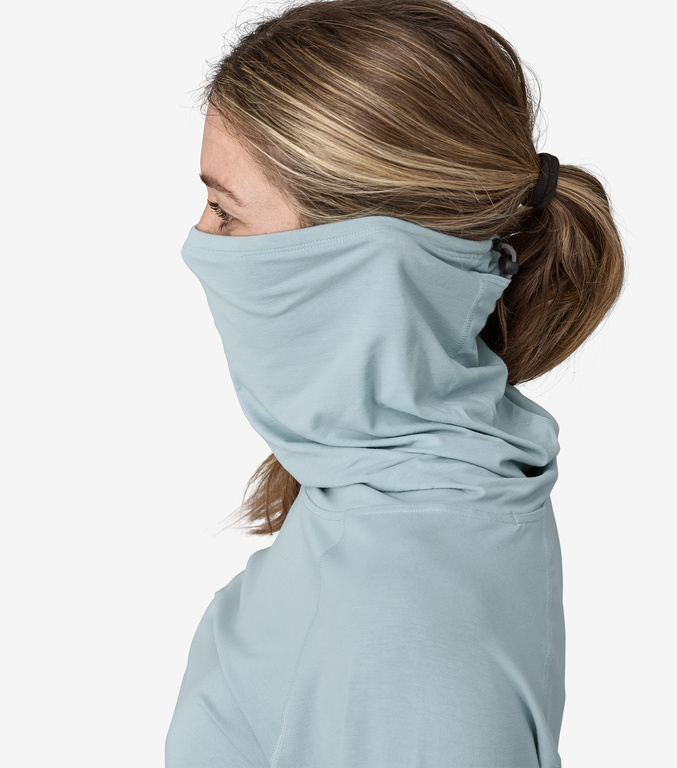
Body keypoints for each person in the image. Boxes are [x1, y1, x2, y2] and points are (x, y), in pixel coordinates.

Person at [165, 0, 626, 765]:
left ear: (369, 259)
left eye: (223, 208)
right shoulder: (395, 476)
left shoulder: (404, 600)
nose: (197, 242)